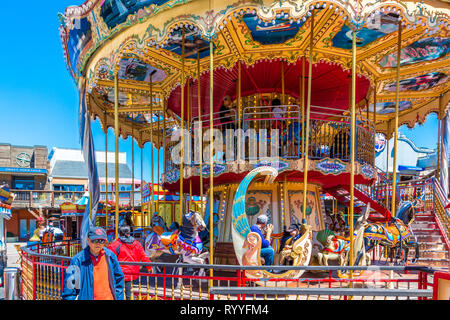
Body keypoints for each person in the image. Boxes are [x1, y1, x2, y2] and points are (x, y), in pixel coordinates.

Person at [61, 226, 124, 300]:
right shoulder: (77, 260)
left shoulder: (111, 256)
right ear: (88, 240)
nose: (98, 244)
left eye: (101, 241)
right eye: (94, 241)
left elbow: (119, 279)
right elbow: (69, 287)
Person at [108, 225, 152, 300]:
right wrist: (149, 267)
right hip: (133, 273)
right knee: (129, 293)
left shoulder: (116, 244)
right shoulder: (137, 244)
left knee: (118, 292)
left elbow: (109, 257)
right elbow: (144, 256)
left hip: (119, 273)